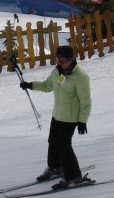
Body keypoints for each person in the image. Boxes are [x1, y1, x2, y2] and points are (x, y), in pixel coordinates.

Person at [20, 44, 92, 190]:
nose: (60, 62)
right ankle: (55, 168)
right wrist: (30, 85)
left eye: (63, 60)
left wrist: (83, 121)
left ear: (72, 59)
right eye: (58, 59)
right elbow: (48, 86)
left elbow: (86, 101)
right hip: (57, 114)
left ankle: (74, 176)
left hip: (71, 117)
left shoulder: (80, 76)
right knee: (53, 141)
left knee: (64, 145)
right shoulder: (58, 72)